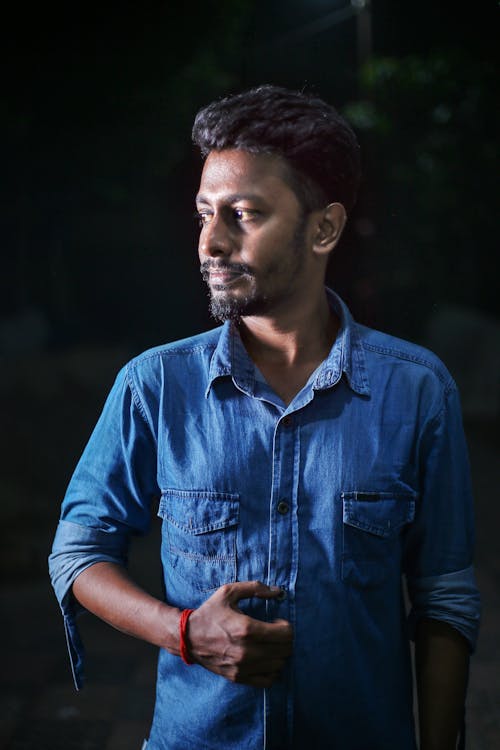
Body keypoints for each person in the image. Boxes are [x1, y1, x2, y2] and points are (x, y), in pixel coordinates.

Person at [49, 84, 480, 750]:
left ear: (324, 228)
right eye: (203, 214)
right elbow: (78, 553)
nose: (210, 243)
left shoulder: (418, 391)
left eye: (243, 214)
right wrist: (184, 632)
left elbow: (445, 595)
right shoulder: (154, 385)